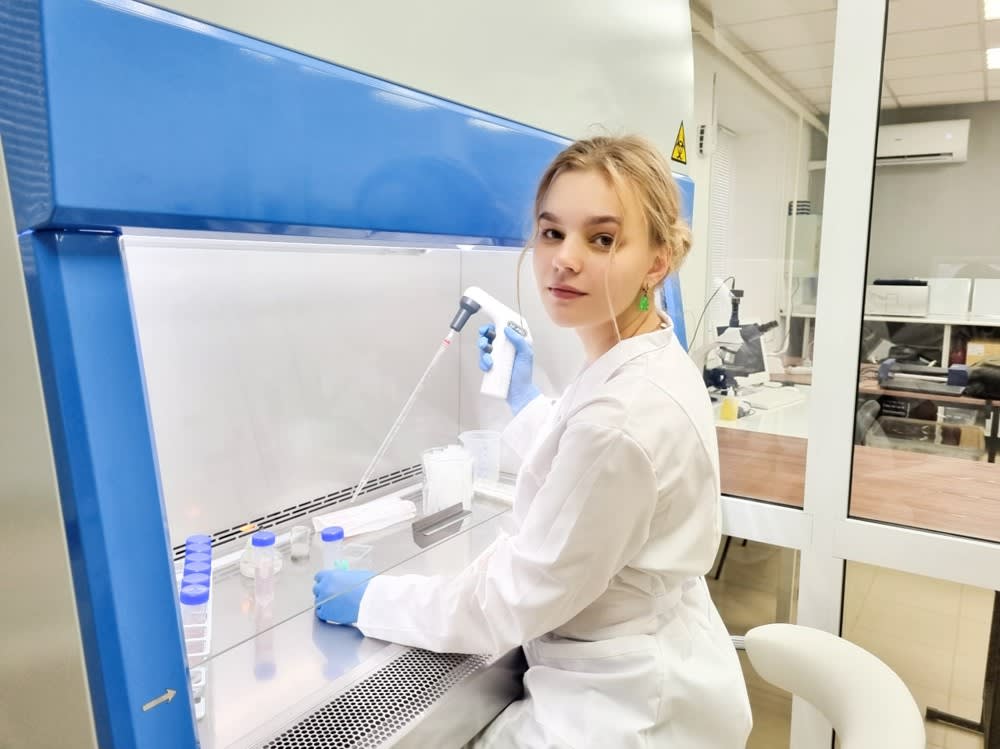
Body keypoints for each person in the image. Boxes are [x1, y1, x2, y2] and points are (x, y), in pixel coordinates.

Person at [314, 135, 753, 747]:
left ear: (657, 262)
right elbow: (590, 465)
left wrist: (375, 601)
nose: (563, 259)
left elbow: (511, 598)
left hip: (615, 709)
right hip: (659, 663)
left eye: (602, 239)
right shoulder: (647, 355)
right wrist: (526, 402)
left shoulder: (620, 415)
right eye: (552, 232)